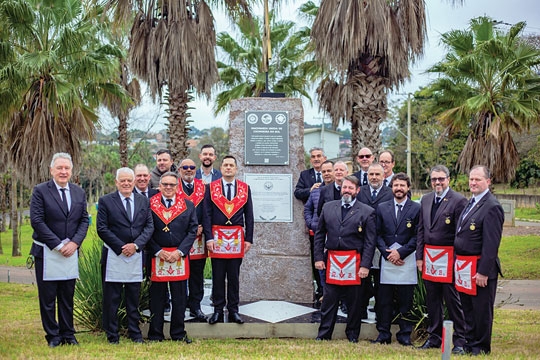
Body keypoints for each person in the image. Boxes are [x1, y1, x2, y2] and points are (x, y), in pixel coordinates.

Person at [30, 153, 90, 347]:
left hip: (71, 252)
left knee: (67, 297)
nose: (63, 172)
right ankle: (53, 336)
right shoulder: (40, 191)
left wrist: (74, 243)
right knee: (48, 299)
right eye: (60, 168)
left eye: (67, 169)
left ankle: (68, 334)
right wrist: (58, 244)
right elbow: (37, 221)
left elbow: (83, 220)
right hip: (47, 253)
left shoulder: (79, 192)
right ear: (52, 170)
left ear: (71, 171)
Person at [313, 176, 376, 343]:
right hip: (332, 261)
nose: (346, 190)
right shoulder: (328, 207)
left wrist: (365, 266)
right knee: (329, 301)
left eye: (350, 188)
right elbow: (319, 235)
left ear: (357, 191)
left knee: (354, 302)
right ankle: (324, 334)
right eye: (344, 187)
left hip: (354, 262)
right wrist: (318, 257)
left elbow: (370, 242)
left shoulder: (367, 211)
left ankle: (353, 334)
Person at [97, 167, 154, 344]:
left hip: (136, 255)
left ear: (134, 181)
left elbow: (149, 227)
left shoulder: (143, 201)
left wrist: (135, 245)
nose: (126, 183)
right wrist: (121, 247)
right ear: (116, 182)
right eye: (123, 180)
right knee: (112, 298)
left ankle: (135, 333)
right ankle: (112, 335)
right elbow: (102, 228)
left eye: (129, 180)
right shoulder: (106, 201)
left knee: (133, 298)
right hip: (114, 255)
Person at [416, 165, 468, 354]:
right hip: (429, 258)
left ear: (448, 179)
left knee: (453, 301)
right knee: (433, 300)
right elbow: (421, 229)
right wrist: (419, 257)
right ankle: (434, 337)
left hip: (448, 259)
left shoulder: (458, 201)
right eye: (434, 179)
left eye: (441, 179)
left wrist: (456, 260)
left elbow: (460, 234)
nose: (437, 182)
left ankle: (460, 341)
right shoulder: (426, 199)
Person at [454, 165, 504, 355]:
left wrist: (483, 271)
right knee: (467, 307)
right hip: (464, 265)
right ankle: (469, 342)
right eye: (471, 179)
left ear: (488, 182)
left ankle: (481, 347)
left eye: (478, 179)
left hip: (479, 269)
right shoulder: (471, 202)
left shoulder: (492, 206)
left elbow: (491, 245)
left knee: (481, 310)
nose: (473, 183)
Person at [146, 172, 198, 343]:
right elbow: (145, 230)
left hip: (179, 257)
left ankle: (178, 333)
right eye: (165, 185)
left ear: (177, 187)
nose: (168, 188)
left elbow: (192, 231)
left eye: (172, 185)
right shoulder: (149, 204)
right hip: (157, 256)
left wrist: (180, 251)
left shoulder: (188, 206)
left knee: (180, 298)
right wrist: (158, 251)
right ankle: (155, 334)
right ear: (159, 186)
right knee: (157, 298)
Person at [203, 155, 254, 324]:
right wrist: (208, 237)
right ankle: (217, 310)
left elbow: (250, 216)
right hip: (217, 236)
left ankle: (233, 310)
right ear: (221, 167)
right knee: (217, 276)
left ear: (236, 169)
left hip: (236, 238)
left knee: (234, 276)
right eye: (225, 165)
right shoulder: (211, 188)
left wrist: (249, 239)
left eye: (231, 165)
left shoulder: (245, 188)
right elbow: (207, 214)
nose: (228, 168)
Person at [372, 173, 420, 346]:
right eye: (395, 185)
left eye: (402, 185)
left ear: (408, 188)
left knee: (405, 301)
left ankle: (405, 334)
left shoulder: (416, 208)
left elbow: (417, 235)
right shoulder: (382, 208)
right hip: (387, 260)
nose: (399, 188)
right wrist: (388, 253)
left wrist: (401, 253)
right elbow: (377, 234)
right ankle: (383, 334)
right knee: (384, 300)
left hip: (406, 259)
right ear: (391, 187)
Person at [357, 163, 393, 319]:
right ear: (367, 176)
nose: (374, 177)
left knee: (380, 281)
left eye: (377, 174)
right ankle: (361, 310)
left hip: (382, 243)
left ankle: (381, 312)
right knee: (362, 280)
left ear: (383, 176)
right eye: (371, 174)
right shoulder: (360, 192)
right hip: (361, 243)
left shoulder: (391, 193)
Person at [178, 158, 208, 322]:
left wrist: (202, 225)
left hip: (199, 237)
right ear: (179, 170)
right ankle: (181, 305)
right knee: (181, 272)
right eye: (185, 167)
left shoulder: (203, 187)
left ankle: (195, 305)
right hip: (180, 237)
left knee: (197, 273)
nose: (188, 170)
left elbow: (207, 210)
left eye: (192, 167)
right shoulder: (173, 186)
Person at [303, 160, 334, 307]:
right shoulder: (315, 190)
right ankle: (323, 293)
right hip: (319, 234)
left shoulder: (341, 190)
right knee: (321, 264)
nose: (327, 174)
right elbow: (307, 209)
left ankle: (336, 295)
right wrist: (311, 223)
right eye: (324, 172)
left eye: (329, 171)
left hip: (336, 235)